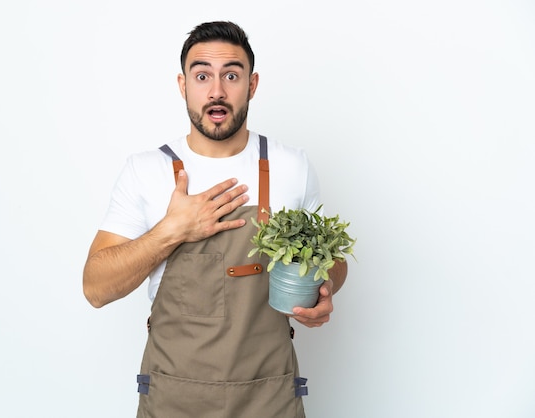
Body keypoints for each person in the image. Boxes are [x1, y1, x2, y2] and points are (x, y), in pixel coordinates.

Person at [83, 20, 347, 418]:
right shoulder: (145, 170)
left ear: (252, 85)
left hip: (269, 396)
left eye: (232, 75)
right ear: (182, 84)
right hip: (173, 398)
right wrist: (172, 231)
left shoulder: (292, 166)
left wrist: (324, 291)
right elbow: (95, 288)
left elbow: (332, 262)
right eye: (202, 75)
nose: (217, 90)